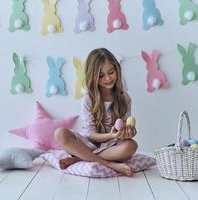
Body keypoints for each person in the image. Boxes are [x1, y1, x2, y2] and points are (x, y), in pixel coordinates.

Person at [54, 48, 137, 177]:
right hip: (88, 143)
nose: (108, 78)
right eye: (101, 75)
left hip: (111, 146)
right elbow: (89, 134)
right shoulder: (88, 99)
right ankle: (108, 164)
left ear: (117, 71)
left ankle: (79, 158)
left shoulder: (124, 98)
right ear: (93, 77)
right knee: (60, 133)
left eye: (111, 72)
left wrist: (128, 133)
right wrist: (111, 135)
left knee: (131, 146)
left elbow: (123, 130)